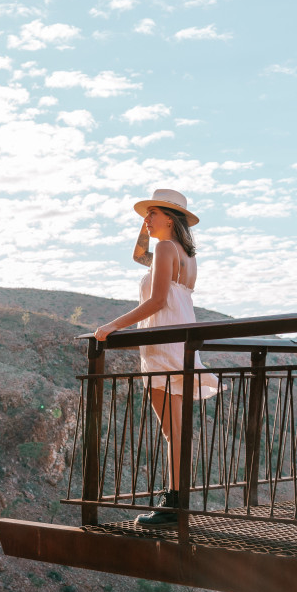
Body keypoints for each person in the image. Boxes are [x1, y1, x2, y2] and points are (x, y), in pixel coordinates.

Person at [93, 188, 218, 527]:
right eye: (145, 215)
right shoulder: (184, 254)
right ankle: (176, 500)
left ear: (170, 218)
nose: (146, 219)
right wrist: (147, 226)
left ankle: (172, 505)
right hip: (179, 341)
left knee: (171, 431)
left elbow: (158, 300)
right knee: (176, 430)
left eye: (152, 214)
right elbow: (138, 256)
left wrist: (113, 325)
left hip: (162, 344)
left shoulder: (165, 248)